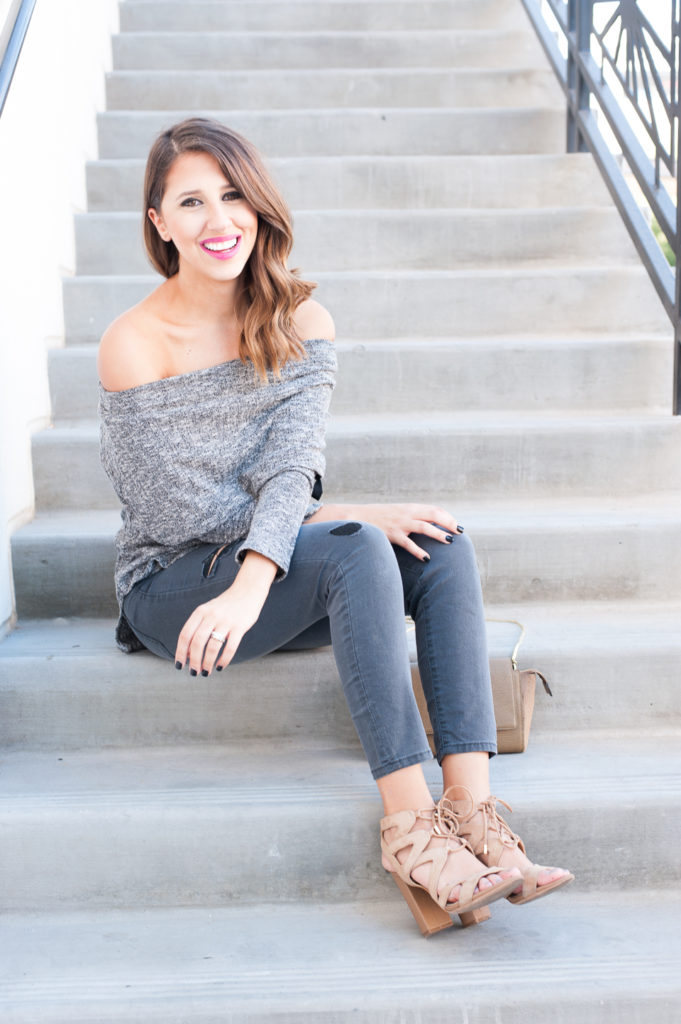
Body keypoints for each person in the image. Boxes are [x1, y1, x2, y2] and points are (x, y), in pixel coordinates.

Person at [98, 117, 573, 937]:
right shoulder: (133, 342)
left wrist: (310, 534)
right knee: (354, 550)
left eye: (234, 195)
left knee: (437, 544)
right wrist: (267, 571)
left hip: (267, 572)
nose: (219, 220)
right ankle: (411, 834)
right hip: (175, 586)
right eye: (192, 202)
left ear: (259, 206)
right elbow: (181, 514)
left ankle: (474, 815)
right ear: (159, 223)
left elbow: (291, 471)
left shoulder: (300, 320)